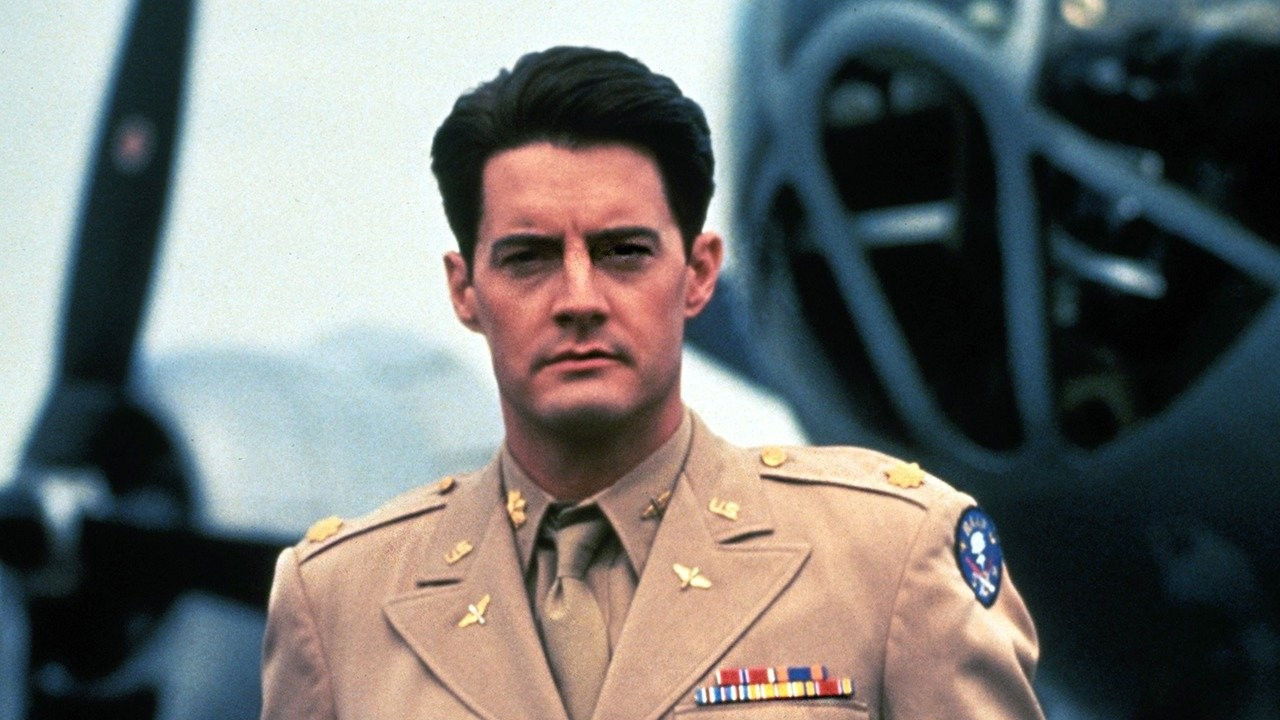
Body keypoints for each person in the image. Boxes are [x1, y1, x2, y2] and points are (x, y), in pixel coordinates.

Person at [259, 46, 1044, 720]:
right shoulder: (337, 602)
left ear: (699, 274)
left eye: (624, 252)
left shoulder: (889, 555)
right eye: (528, 257)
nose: (578, 299)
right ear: (465, 291)